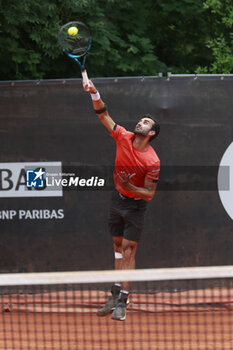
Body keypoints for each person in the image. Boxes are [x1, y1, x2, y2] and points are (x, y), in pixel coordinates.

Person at [83, 80, 160, 321]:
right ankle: (114, 295)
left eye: (146, 122)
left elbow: (149, 193)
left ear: (151, 133)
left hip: (136, 207)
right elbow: (103, 115)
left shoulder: (152, 161)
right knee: (117, 249)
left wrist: (130, 186)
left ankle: (124, 300)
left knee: (128, 251)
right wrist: (94, 92)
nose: (140, 122)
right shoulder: (123, 136)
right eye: (141, 119)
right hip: (117, 201)